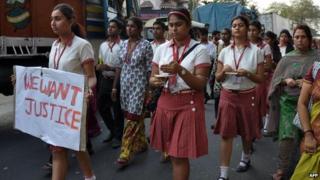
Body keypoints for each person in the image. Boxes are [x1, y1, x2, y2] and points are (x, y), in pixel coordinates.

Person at [149, 8, 210, 180]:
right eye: (171, 25)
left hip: (188, 103)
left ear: (188, 25)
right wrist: (154, 82)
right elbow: (152, 78)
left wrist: (180, 70)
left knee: (178, 155)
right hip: (165, 102)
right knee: (172, 153)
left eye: (179, 24)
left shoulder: (200, 50)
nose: (174, 29)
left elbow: (200, 84)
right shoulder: (161, 49)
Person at [214, 16, 264, 180]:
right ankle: (223, 174)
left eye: (240, 25)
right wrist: (224, 70)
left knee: (246, 133)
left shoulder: (256, 51)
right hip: (227, 95)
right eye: (234, 25)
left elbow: (261, 78)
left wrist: (248, 73)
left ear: (247, 28)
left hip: (247, 95)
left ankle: (246, 158)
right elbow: (218, 78)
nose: (236, 28)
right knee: (226, 134)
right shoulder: (224, 51)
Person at [49, 3, 96, 180]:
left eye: (58, 18)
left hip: (74, 106)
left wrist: (87, 91)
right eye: (51, 19)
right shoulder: (54, 46)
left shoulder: (82, 46)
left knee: (76, 147)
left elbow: (91, 77)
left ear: (71, 20)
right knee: (58, 149)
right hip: (55, 106)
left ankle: (89, 177)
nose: (53, 23)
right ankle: (90, 177)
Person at [268, 25, 319, 180]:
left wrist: (307, 84)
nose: (300, 40)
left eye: (303, 37)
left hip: (312, 104)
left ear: (310, 39)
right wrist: (285, 80)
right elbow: (275, 80)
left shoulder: (317, 58)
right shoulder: (287, 58)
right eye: (296, 37)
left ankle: (307, 170)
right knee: (287, 136)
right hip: (289, 103)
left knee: (310, 140)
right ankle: (282, 169)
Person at [115, 17, 153, 168]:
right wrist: (114, 86)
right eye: (127, 26)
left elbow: (150, 69)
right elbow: (119, 66)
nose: (129, 29)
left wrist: (150, 90)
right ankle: (142, 143)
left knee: (132, 118)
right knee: (134, 116)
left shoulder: (146, 45)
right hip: (125, 86)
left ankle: (125, 152)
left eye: (132, 26)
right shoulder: (123, 44)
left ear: (139, 29)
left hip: (140, 86)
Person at [96, 18, 124, 149]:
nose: (110, 29)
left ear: (119, 30)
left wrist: (110, 68)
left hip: (117, 80)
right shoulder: (103, 45)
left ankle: (118, 136)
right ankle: (113, 130)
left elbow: (123, 67)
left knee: (117, 109)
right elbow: (100, 62)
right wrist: (99, 66)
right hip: (104, 80)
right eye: (109, 26)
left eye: (113, 27)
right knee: (101, 107)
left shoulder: (123, 45)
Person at [291, 61, 320, 180]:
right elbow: (302, 103)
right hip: (315, 142)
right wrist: (308, 134)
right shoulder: (316, 69)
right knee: (310, 175)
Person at [248, 21, 273, 133]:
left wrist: (252, 69)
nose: (251, 33)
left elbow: (268, 66)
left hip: (260, 80)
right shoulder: (244, 44)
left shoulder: (265, 46)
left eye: (254, 30)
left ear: (259, 31)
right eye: (249, 30)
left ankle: (256, 127)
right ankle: (254, 126)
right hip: (246, 79)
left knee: (257, 104)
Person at [199, 28, 216, 103]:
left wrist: (204, 56)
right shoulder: (197, 44)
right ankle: (205, 95)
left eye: (203, 35)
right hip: (199, 65)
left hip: (209, 65)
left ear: (206, 35)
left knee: (205, 80)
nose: (201, 37)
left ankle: (205, 95)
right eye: (200, 35)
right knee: (202, 80)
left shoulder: (211, 45)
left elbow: (212, 55)